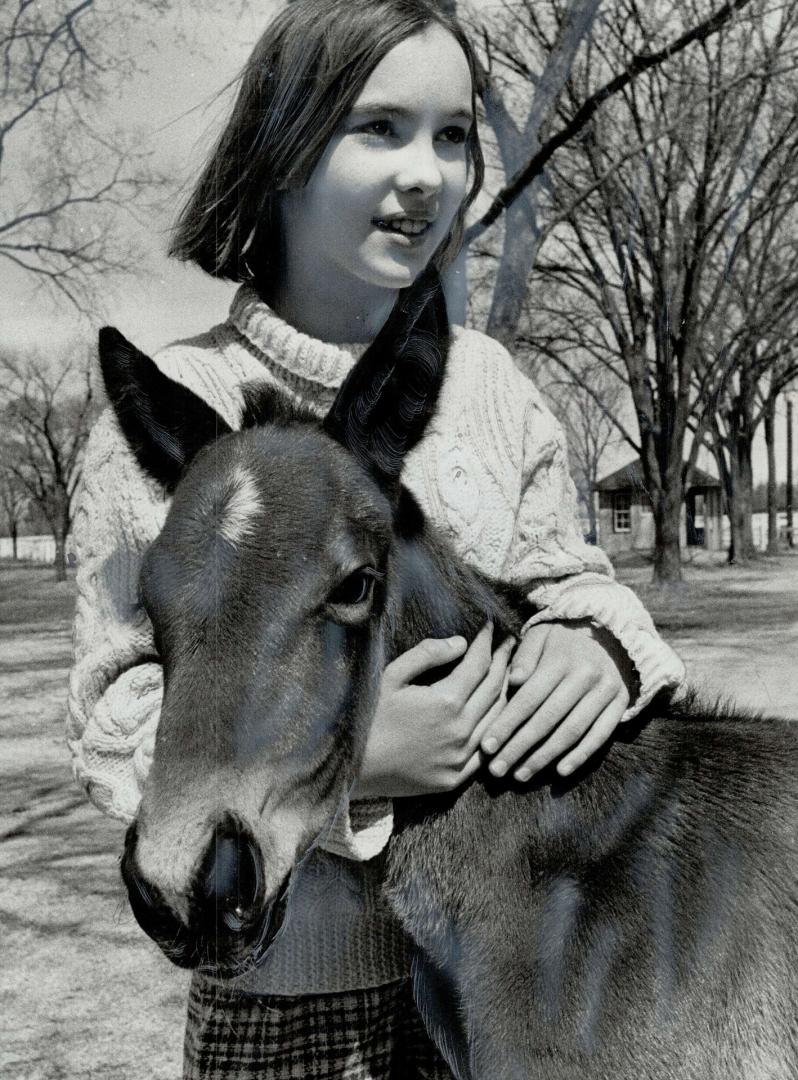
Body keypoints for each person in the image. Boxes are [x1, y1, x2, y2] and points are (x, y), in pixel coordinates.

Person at [67, 1, 685, 1076]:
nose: (427, 173)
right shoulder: (171, 413)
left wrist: (601, 641)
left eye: (453, 137)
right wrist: (354, 760)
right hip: (286, 1008)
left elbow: (568, 578)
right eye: (381, 128)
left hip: (521, 984)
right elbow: (114, 709)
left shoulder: (489, 387)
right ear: (285, 145)